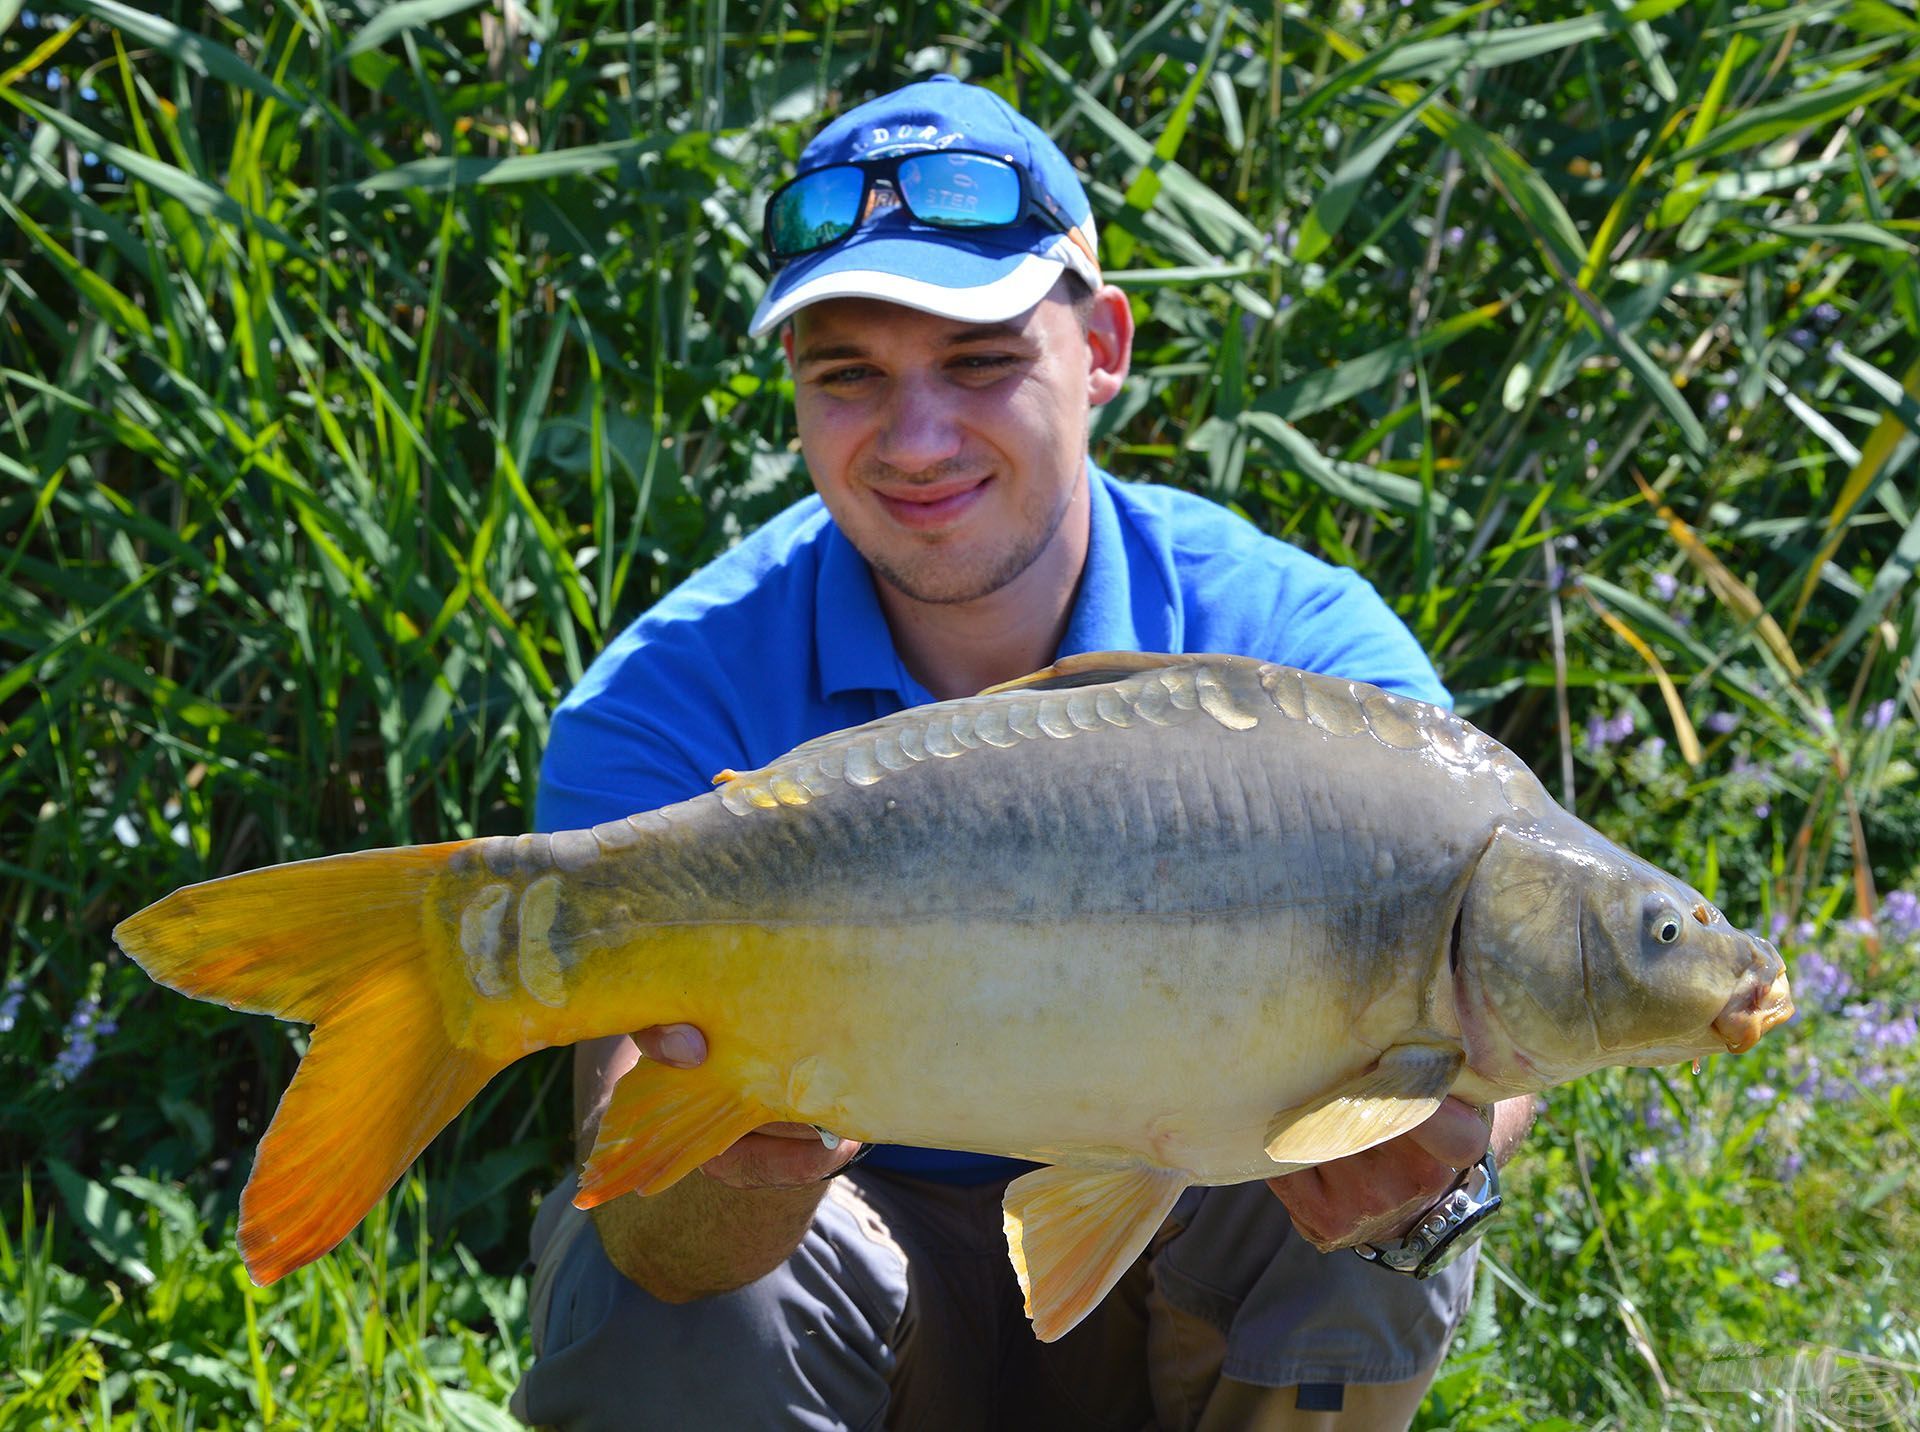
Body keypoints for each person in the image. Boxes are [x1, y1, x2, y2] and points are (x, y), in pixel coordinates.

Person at [510, 75, 1533, 1431]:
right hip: (853, 1278)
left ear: (1101, 347)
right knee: (670, 1291)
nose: (918, 440)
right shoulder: (667, 706)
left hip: (1175, 1262)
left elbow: (1497, 1007)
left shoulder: (1300, 664)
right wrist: (727, 1164)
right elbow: (654, 1236)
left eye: (981, 363)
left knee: (1349, 1189)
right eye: (848, 378)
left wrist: (1443, 1157)